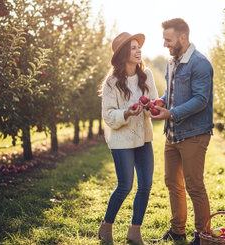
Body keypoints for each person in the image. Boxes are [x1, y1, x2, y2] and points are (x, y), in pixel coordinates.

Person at [149, 18, 214, 245]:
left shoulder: (200, 63)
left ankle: (202, 236)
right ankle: (178, 231)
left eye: (168, 39)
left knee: (194, 185)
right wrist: (159, 102)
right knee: (172, 183)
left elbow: (200, 100)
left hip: (194, 134)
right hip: (173, 134)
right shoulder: (172, 62)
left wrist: (170, 113)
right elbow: (171, 94)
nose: (165, 43)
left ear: (183, 37)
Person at [98, 32, 158, 245]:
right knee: (125, 186)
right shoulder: (112, 82)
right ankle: (106, 226)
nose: (138, 50)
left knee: (146, 185)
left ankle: (135, 230)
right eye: (133, 47)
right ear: (123, 53)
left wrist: (152, 107)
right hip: (121, 140)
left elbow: (153, 107)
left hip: (144, 138)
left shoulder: (146, 75)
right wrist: (127, 112)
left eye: (138, 47)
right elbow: (108, 115)